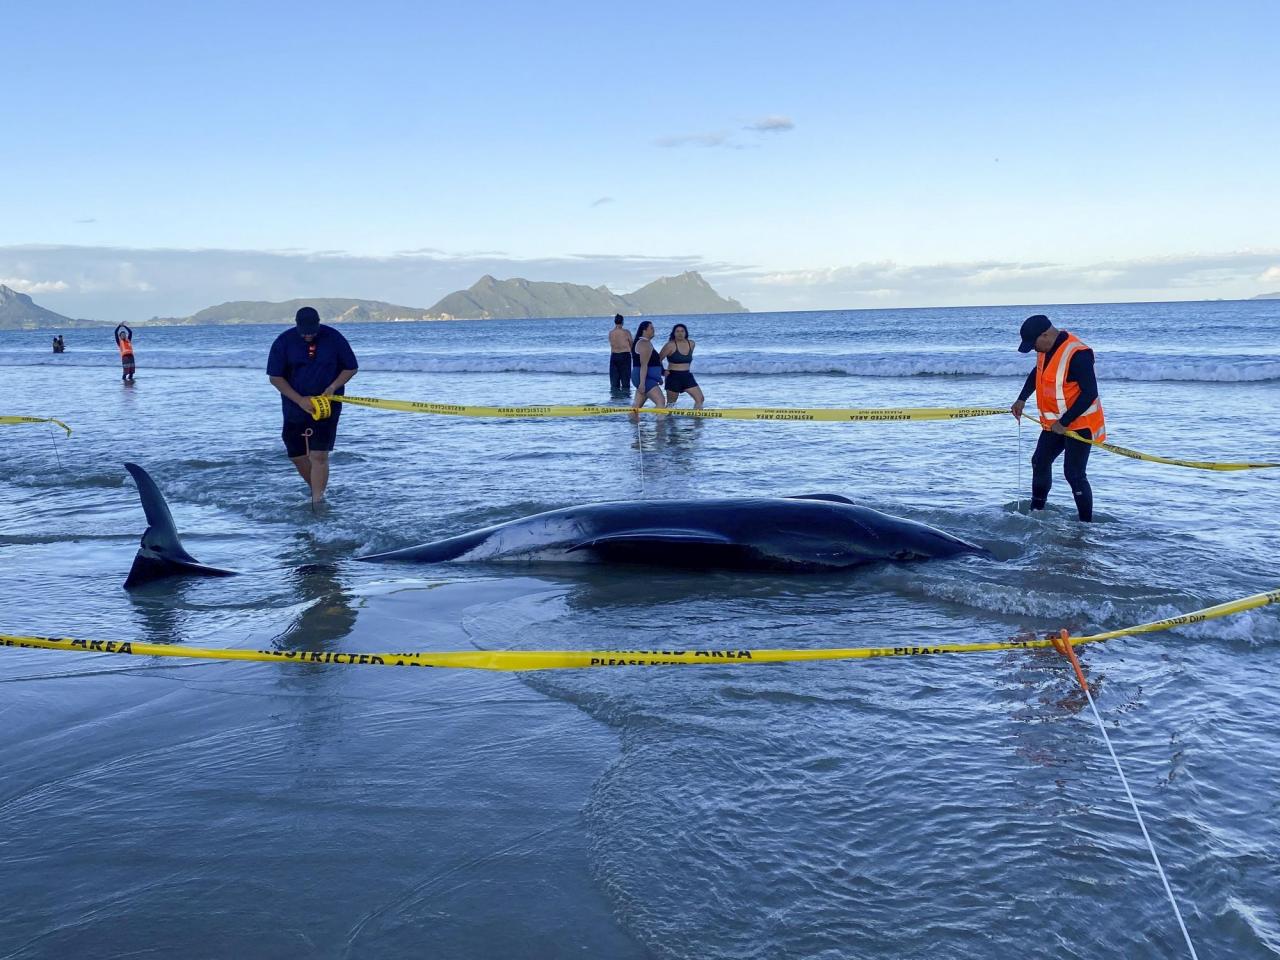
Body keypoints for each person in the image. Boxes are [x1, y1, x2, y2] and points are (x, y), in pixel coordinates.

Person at [1010, 314, 1105, 522]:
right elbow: (1038, 372)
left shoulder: (1078, 354)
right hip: (1055, 423)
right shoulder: (1046, 349)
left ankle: (1085, 525)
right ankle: (1037, 512)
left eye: (1033, 344)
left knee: (1074, 474)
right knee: (1039, 461)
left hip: (1079, 423)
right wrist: (1021, 399)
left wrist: (1065, 422)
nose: (1034, 350)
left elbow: (1090, 393)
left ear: (1045, 334)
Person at [266, 306, 359, 504]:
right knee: (297, 455)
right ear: (297, 325)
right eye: (304, 332)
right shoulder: (284, 341)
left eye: (312, 331)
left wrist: (333, 386)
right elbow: (275, 377)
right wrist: (300, 400)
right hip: (294, 404)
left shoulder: (334, 338)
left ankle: (318, 500)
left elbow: (351, 368)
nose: (308, 335)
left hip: (327, 403)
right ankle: (315, 487)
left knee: (318, 454)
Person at [659, 323, 704, 409]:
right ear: (674, 333)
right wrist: (663, 371)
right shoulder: (670, 345)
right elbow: (658, 359)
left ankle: (697, 420)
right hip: (673, 377)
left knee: (700, 399)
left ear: (686, 333)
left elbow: (688, 360)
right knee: (671, 404)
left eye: (682, 331)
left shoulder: (691, 344)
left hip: (687, 376)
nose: (680, 333)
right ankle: (667, 421)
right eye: (677, 331)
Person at [631, 321, 666, 410]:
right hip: (644, 378)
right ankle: (660, 423)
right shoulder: (644, 343)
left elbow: (652, 363)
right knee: (660, 401)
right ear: (644, 330)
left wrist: (658, 377)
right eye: (651, 328)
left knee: (636, 407)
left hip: (645, 378)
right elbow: (644, 365)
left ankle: (632, 422)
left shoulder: (645, 342)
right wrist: (642, 384)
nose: (654, 330)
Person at [608, 314, 632, 396]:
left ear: (615, 322)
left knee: (614, 383)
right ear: (622, 322)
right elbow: (631, 344)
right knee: (625, 382)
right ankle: (625, 400)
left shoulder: (611, 333)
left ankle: (615, 399)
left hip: (614, 356)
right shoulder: (626, 332)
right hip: (624, 355)